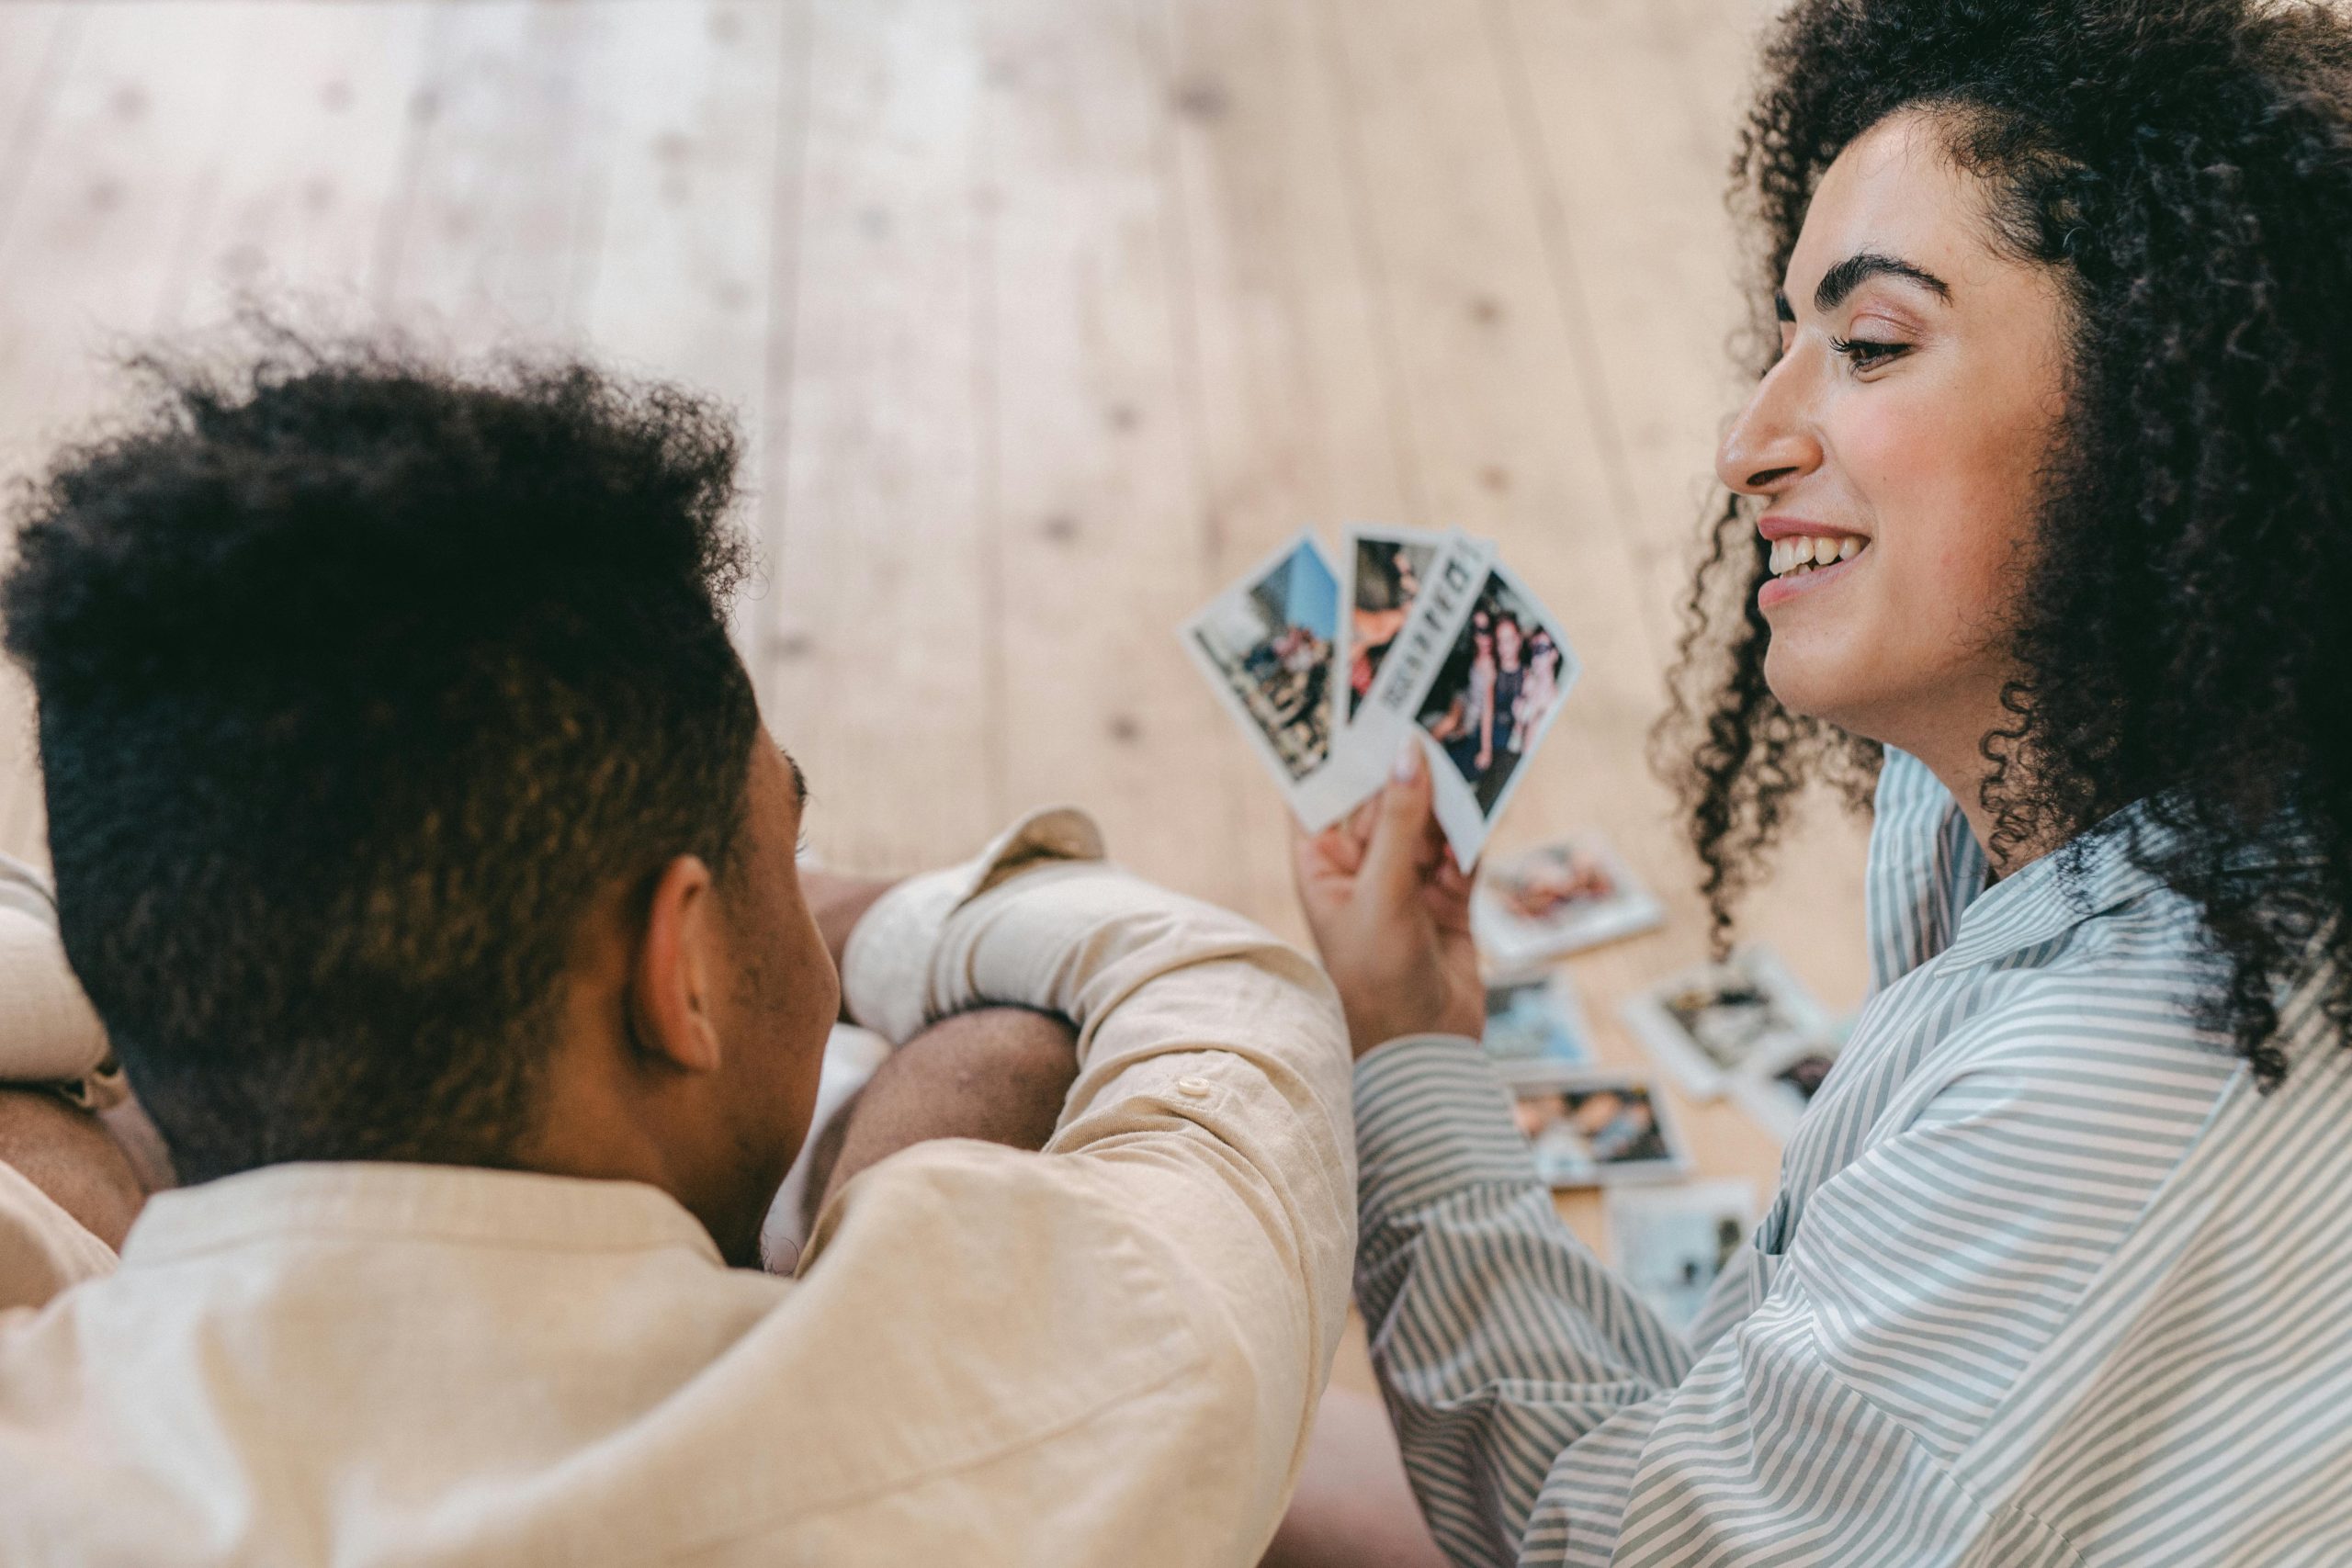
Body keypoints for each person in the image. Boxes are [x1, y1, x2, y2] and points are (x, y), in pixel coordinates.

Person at [1278, 0, 2352, 1562]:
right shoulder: (2027, 793)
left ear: (2161, 397)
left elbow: (1624, 1545)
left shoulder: (2118, 1073)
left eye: (1867, 346)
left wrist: (1405, 1050)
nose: (1747, 439)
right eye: (1784, 339)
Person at [0, 342, 1356, 1565]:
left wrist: (181, 973)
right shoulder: (1046, 1416)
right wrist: (866, 913)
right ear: (679, 968)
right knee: (1001, 1061)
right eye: (788, 843)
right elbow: (1215, 993)